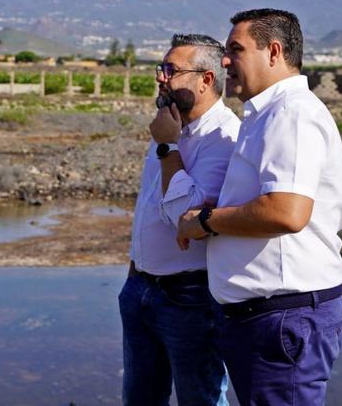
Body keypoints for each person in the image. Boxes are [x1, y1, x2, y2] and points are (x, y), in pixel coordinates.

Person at [176, 9, 342, 405]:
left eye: (235, 50)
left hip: (282, 318)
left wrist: (205, 221)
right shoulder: (268, 115)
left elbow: (285, 212)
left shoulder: (291, 114)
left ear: (273, 52)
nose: (224, 61)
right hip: (268, 319)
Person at [119, 33, 240, 405]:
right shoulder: (170, 125)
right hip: (141, 288)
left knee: (199, 399)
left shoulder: (223, 137)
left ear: (206, 79)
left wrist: (168, 148)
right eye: (161, 68)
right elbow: (149, 209)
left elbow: (184, 216)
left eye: (171, 70)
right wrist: (134, 275)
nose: (161, 77)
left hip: (189, 299)